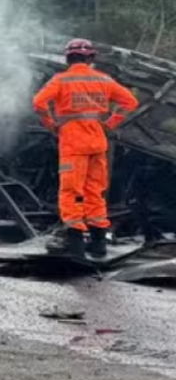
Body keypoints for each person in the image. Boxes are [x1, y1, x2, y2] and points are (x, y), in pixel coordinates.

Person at [32, 39, 138, 258]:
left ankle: (76, 246)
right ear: (91, 58)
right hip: (97, 142)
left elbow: (38, 103)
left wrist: (51, 125)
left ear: (68, 58)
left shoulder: (61, 80)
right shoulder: (103, 79)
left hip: (73, 143)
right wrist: (110, 123)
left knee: (71, 192)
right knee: (94, 191)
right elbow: (130, 102)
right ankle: (99, 245)